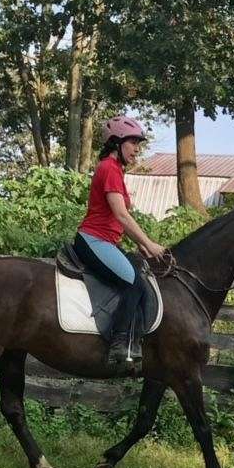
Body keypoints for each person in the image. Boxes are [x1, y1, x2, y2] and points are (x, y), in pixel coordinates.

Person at [74, 116, 166, 365]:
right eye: (133, 142)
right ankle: (119, 343)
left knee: (139, 272)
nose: (137, 149)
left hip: (106, 241)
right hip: (93, 240)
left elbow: (121, 219)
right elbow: (121, 214)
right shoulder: (109, 169)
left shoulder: (115, 170)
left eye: (138, 143)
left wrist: (139, 244)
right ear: (116, 143)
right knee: (134, 284)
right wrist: (149, 243)